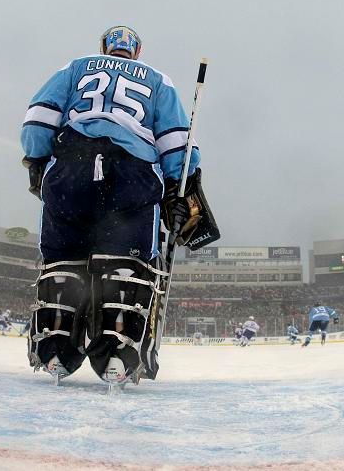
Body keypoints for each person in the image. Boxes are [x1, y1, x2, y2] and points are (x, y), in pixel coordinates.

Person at [20, 25, 215, 387]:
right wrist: (178, 186)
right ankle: (118, 354)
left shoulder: (76, 66)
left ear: (104, 47)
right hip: (132, 175)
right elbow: (176, 142)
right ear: (136, 52)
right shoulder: (158, 80)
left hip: (70, 171)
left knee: (64, 262)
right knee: (126, 268)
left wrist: (36, 160)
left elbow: (38, 117)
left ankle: (57, 351)